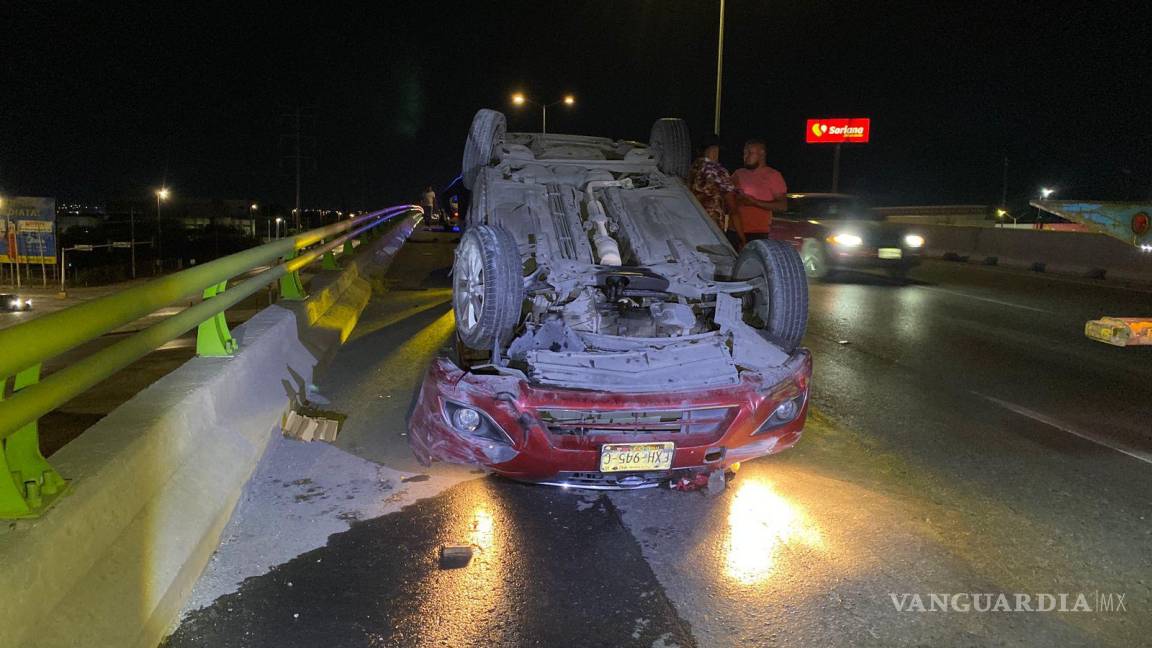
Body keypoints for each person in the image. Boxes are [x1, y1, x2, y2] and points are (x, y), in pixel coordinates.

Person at [731, 139, 788, 245]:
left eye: (750, 153)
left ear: (762, 154)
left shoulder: (773, 176)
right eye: (744, 153)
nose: (746, 157)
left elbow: (782, 206)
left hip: (757, 233)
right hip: (735, 231)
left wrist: (755, 202)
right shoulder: (738, 174)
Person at [688, 137, 741, 248]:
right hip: (712, 228)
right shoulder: (718, 171)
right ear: (714, 150)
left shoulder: (692, 169)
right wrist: (742, 237)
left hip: (691, 225)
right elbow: (732, 206)